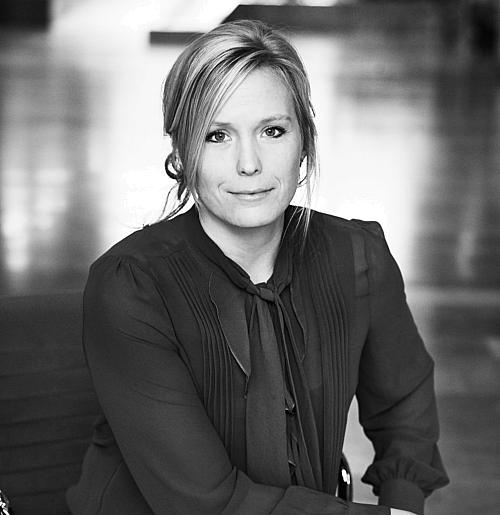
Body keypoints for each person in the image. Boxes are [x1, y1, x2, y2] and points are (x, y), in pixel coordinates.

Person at [67, 19, 448, 515]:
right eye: (217, 135)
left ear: (304, 141)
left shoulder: (357, 256)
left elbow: (405, 410)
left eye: (272, 131)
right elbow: (207, 502)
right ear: (181, 152)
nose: (249, 164)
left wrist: (403, 501)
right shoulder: (131, 287)